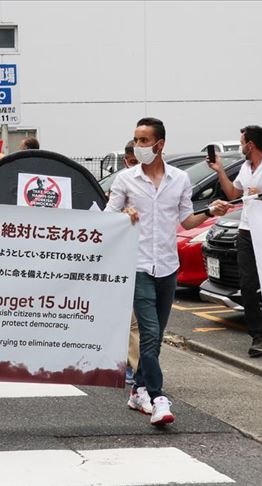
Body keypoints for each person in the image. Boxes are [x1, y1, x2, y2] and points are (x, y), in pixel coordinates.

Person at [105, 117, 229, 426]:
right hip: (138, 265)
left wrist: (209, 211)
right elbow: (107, 219)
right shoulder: (125, 180)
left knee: (156, 336)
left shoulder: (179, 179)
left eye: (144, 141)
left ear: (159, 145)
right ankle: (158, 398)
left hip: (167, 266)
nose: (138, 146)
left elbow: (187, 221)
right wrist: (124, 213)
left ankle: (138, 390)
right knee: (148, 332)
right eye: (136, 140)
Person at [208, 125, 262, 357]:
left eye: (241, 143)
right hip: (246, 232)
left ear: (250, 144)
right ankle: (259, 336)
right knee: (247, 286)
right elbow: (233, 194)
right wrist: (219, 171)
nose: (240, 147)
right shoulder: (245, 168)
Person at [121, 140, 140, 384]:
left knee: (142, 322)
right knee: (132, 320)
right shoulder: (122, 183)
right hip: (127, 257)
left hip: (153, 261)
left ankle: (137, 366)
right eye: (132, 161)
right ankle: (132, 366)